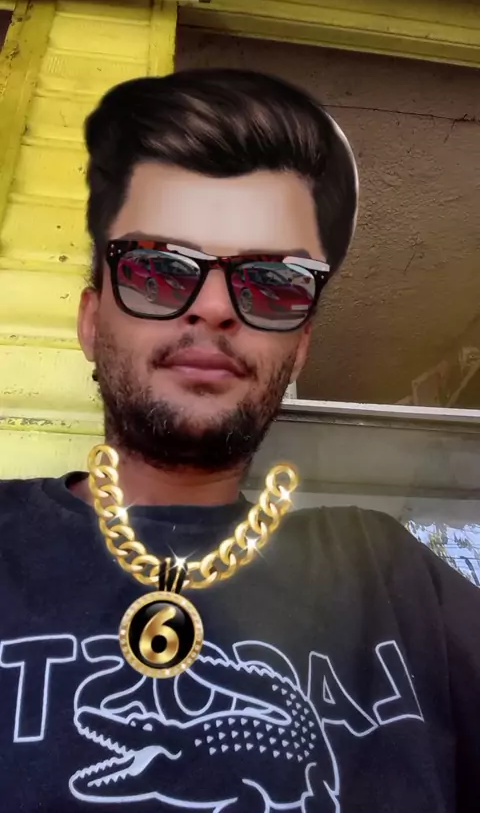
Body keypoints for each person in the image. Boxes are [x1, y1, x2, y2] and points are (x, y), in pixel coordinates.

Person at [0, 68, 478, 813]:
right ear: (91, 322)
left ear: (300, 348)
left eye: (273, 283)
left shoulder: (394, 580)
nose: (217, 307)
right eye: (158, 269)